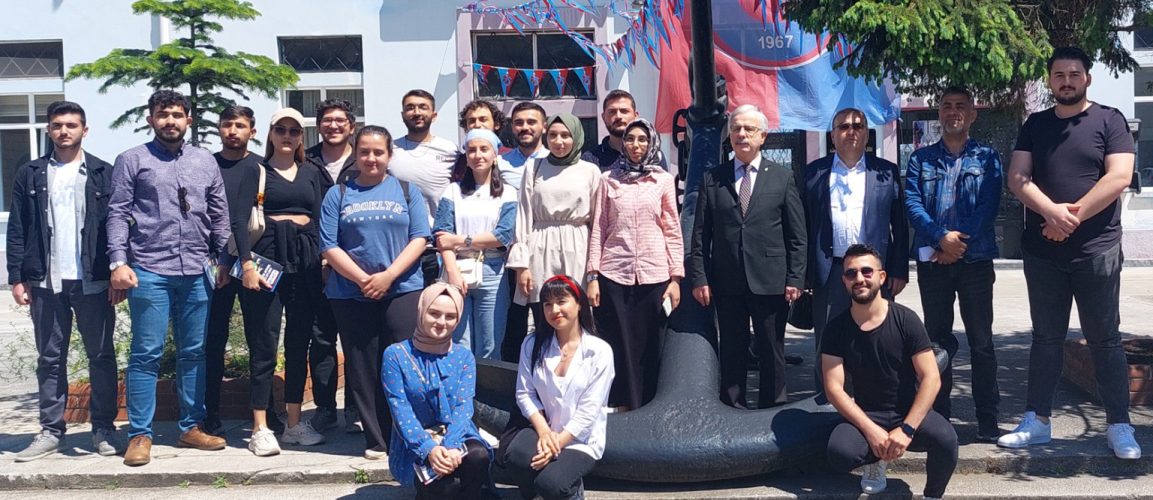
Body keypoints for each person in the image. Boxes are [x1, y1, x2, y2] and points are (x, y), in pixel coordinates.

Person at [999, 46, 1142, 459]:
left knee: (1105, 339)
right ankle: (1037, 421)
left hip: (1096, 250)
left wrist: (1069, 218)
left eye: (1074, 74)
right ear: (1049, 81)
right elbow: (1018, 177)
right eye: (1059, 75)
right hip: (1043, 253)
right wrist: (1050, 213)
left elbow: (1119, 176)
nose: (1066, 81)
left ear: (1087, 79)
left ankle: (1119, 425)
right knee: (1045, 337)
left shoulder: (1109, 120)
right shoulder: (1035, 124)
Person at [107, 90, 229, 466]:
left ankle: (191, 427)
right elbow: (117, 213)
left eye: (177, 114)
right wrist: (117, 262)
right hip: (148, 269)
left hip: (197, 270)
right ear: (151, 118)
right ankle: (140, 435)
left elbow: (219, 214)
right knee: (146, 354)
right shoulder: (132, 160)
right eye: (163, 114)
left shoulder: (205, 160)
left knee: (194, 353)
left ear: (188, 120)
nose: (170, 121)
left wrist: (225, 258)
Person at [7, 101, 123, 462]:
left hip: (93, 280)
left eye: (72, 125)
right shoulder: (31, 173)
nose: (64, 131)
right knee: (49, 358)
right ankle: (50, 431)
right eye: (57, 125)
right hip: (45, 280)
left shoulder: (103, 172)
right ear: (48, 130)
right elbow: (18, 228)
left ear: (84, 130)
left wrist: (118, 271)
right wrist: (16, 277)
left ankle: (103, 428)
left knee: (101, 356)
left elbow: (117, 225)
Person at [320, 125, 431, 460]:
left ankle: (405, 431)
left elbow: (420, 237)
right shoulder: (338, 194)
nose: (371, 158)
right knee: (362, 365)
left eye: (378, 152)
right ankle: (376, 438)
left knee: (402, 361)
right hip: (349, 293)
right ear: (355, 154)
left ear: (389, 155)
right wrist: (363, 280)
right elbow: (328, 244)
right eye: (364, 152)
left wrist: (389, 276)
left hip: (402, 289)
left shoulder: (407, 190)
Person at [689, 105, 806, 409]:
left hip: (771, 280)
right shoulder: (713, 178)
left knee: (771, 349)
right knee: (732, 348)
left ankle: (773, 408)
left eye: (749, 129)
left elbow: (797, 234)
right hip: (727, 281)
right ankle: (733, 407)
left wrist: (796, 278)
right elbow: (701, 234)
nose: (742, 134)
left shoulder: (782, 177)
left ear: (763, 136)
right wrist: (700, 277)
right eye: (737, 128)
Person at [904, 86, 1004, 443]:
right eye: (946, 106)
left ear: (973, 114)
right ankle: (939, 418)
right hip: (934, 264)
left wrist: (956, 245)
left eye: (961, 106)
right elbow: (913, 205)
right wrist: (939, 239)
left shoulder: (988, 157)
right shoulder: (920, 159)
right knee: (936, 343)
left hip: (975, 263)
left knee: (982, 343)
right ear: (939, 113)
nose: (953, 112)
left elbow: (989, 208)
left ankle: (988, 419)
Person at [822, 244, 957, 500]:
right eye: (851, 274)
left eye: (866, 271)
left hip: (907, 412)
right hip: (866, 413)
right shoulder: (836, 328)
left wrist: (906, 429)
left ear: (881, 277)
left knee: (947, 440)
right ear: (844, 281)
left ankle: (932, 495)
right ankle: (875, 460)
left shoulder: (906, 320)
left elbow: (930, 377)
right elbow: (834, 388)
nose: (859, 279)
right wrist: (872, 431)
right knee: (840, 452)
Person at [237, 108, 331, 455]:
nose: (288, 136)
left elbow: (322, 215)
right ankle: (260, 426)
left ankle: (293, 423)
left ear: (301, 137)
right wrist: (246, 264)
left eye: (294, 130)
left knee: (298, 342)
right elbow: (238, 219)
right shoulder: (255, 170)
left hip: (305, 262)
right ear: (270, 134)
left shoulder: (311, 172)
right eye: (281, 129)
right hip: (266, 261)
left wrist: (323, 258)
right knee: (264, 344)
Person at [799, 107, 909, 372]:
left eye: (858, 126)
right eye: (844, 127)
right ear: (833, 136)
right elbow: (802, 226)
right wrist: (802, 276)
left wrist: (898, 270)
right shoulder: (813, 173)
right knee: (828, 344)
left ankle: (874, 405)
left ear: (867, 135)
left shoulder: (886, 172)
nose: (851, 131)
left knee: (875, 339)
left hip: (873, 273)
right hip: (831, 272)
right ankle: (826, 404)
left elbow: (900, 226)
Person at [587, 118, 683, 411]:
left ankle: (651, 404)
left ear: (651, 143)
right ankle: (623, 403)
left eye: (642, 139)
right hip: (614, 272)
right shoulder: (608, 180)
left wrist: (676, 278)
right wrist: (592, 275)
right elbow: (599, 228)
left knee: (650, 343)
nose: (636, 145)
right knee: (618, 342)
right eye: (630, 139)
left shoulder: (662, 180)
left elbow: (672, 229)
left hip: (654, 275)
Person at [501, 275, 614, 500]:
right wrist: (544, 432)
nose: (555, 310)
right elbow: (525, 393)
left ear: (579, 303)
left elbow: (589, 411)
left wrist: (556, 444)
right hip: (544, 430)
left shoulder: (599, 351)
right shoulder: (533, 344)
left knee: (551, 483)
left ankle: (568, 487)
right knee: (515, 457)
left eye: (562, 301)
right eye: (548, 304)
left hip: (580, 438)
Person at [203, 105, 276, 436]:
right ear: (219, 129)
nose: (233, 130)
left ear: (253, 130)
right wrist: (219, 259)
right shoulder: (205, 165)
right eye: (227, 124)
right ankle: (210, 412)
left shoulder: (262, 167)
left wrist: (243, 262)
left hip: (252, 265)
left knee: (259, 339)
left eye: (241, 125)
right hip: (213, 265)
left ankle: (263, 412)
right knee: (211, 341)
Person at [382, 283, 492, 499]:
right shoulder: (396, 355)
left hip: (456, 436)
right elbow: (400, 408)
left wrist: (451, 445)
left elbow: (464, 406)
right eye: (434, 313)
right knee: (445, 488)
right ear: (421, 311)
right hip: (416, 440)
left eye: (450, 316)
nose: (441, 322)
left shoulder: (463, 356)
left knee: (478, 456)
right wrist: (429, 449)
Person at [506, 113, 601, 338]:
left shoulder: (590, 171)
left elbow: (597, 221)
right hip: (540, 245)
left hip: (578, 244)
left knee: (575, 311)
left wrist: (593, 271)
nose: (559, 142)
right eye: (554, 135)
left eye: (566, 135)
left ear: (576, 137)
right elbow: (524, 212)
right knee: (544, 312)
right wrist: (522, 265)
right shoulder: (534, 167)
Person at [433, 128, 516, 359]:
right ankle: (462, 394)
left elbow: (503, 235)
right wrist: (452, 273)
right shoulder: (453, 191)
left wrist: (461, 240)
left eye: (484, 149)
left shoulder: (507, 193)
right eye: (472, 150)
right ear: (466, 157)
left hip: (493, 271)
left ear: (495, 155)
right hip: (456, 269)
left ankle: (487, 394)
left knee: (490, 344)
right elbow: (442, 234)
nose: (478, 155)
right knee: (459, 342)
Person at [303, 99, 355, 434]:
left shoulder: (365, 158)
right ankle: (324, 407)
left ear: (351, 125)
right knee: (321, 339)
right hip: (313, 264)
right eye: (327, 120)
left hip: (356, 264)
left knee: (357, 341)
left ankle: (356, 409)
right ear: (319, 125)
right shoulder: (305, 161)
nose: (333, 126)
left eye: (340, 120)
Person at [389, 89, 459, 291]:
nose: (416, 112)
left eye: (423, 107)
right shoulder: (390, 150)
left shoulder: (450, 150)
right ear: (402, 115)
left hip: (439, 247)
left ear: (434, 115)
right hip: (401, 246)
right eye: (410, 108)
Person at [500, 102, 549, 363]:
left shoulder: (555, 160)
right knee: (514, 322)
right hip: (510, 254)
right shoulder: (500, 163)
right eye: (519, 122)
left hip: (545, 250)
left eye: (532, 122)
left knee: (546, 316)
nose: (525, 127)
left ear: (544, 125)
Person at [581, 90, 668, 172]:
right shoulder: (590, 159)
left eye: (624, 111)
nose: (618, 116)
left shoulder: (653, 156)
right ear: (603, 117)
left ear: (635, 116)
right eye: (612, 112)